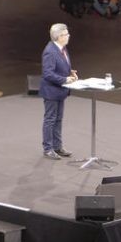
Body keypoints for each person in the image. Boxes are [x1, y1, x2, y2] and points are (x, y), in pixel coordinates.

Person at [40, 23, 76, 159]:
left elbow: (60, 66)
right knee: (50, 119)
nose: (68, 36)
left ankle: (57, 146)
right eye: (66, 34)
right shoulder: (50, 51)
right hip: (51, 91)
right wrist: (65, 79)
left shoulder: (62, 48)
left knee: (58, 119)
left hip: (60, 91)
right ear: (59, 36)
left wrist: (69, 72)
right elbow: (47, 73)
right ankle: (48, 148)